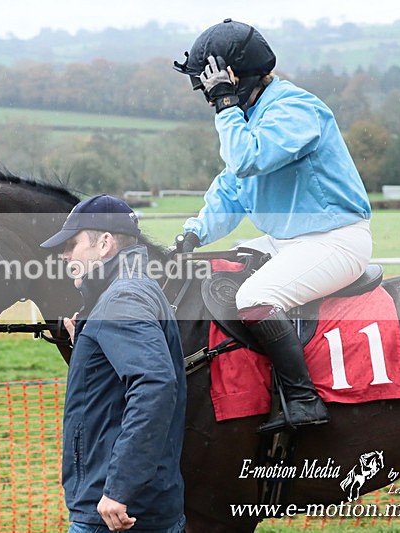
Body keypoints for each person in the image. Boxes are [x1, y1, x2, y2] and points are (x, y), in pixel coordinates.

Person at [172, 19, 372, 433]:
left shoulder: (296, 109)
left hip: (335, 241)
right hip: (288, 242)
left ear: (237, 79)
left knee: (254, 297)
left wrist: (226, 106)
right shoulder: (249, 115)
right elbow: (231, 188)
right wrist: (193, 233)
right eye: (208, 93)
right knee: (219, 268)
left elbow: (248, 159)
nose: (210, 101)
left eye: (213, 90)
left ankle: (302, 399)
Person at [40, 195, 187, 533]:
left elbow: (155, 386)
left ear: (104, 243)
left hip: (117, 514)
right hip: (141, 505)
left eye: (71, 244)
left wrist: (119, 488)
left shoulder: (122, 298)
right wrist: (90, 343)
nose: (64, 256)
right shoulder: (131, 291)